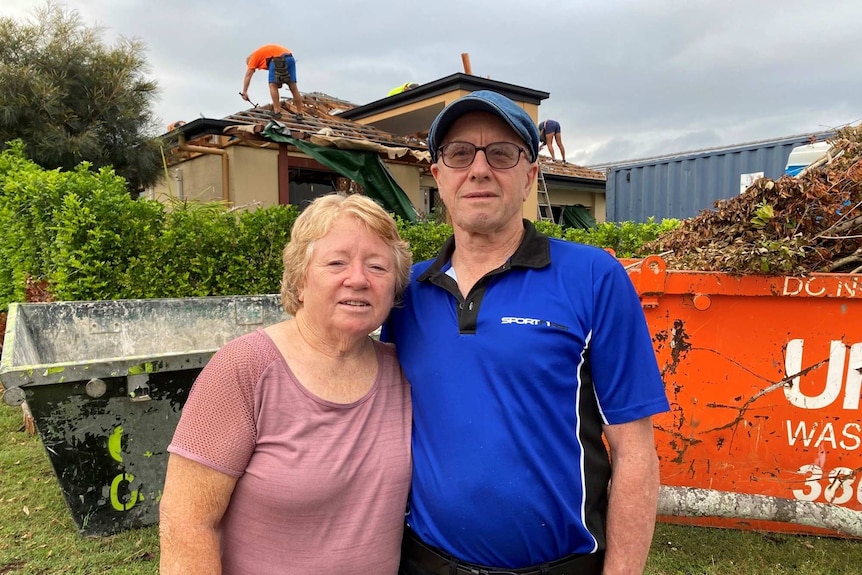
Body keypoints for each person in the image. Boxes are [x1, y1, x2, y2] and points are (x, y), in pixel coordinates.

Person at [383, 90, 670, 575]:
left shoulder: (593, 277)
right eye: (458, 154)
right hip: (423, 563)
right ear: (438, 175)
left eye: (501, 153)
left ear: (530, 177)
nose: (478, 170)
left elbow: (634, 449)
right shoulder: (406, 292)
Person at [159, 193, 414, 574]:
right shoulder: (244, 367)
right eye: (336, 262)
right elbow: (186, 521)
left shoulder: (403, 371)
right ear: (300, 281)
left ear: (394, 288)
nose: (358, 279)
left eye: (377, 266)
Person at [241, 44, 305, 119]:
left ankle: (277, 111)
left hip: (277, 59)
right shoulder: (263, 55)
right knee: (293, 87)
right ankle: (300, 113)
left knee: (272, 85)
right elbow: (279, 76)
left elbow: (248, 75)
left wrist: (244, 91)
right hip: (290, 58)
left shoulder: (253, 58)